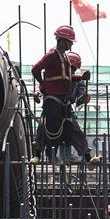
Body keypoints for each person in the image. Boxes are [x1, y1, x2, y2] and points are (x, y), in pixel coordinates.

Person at [29, 27, 100, 165]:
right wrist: (43, 84)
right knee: (46, 126)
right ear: (62, 41)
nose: (71, 45)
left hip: (64, 102)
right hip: (53, 100)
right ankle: (37, 154)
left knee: (73, 128)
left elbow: (67, 77)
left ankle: (87, 156)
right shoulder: (51, 56)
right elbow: (35, 69)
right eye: (69, 42)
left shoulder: (65, 58)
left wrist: (80, 77)